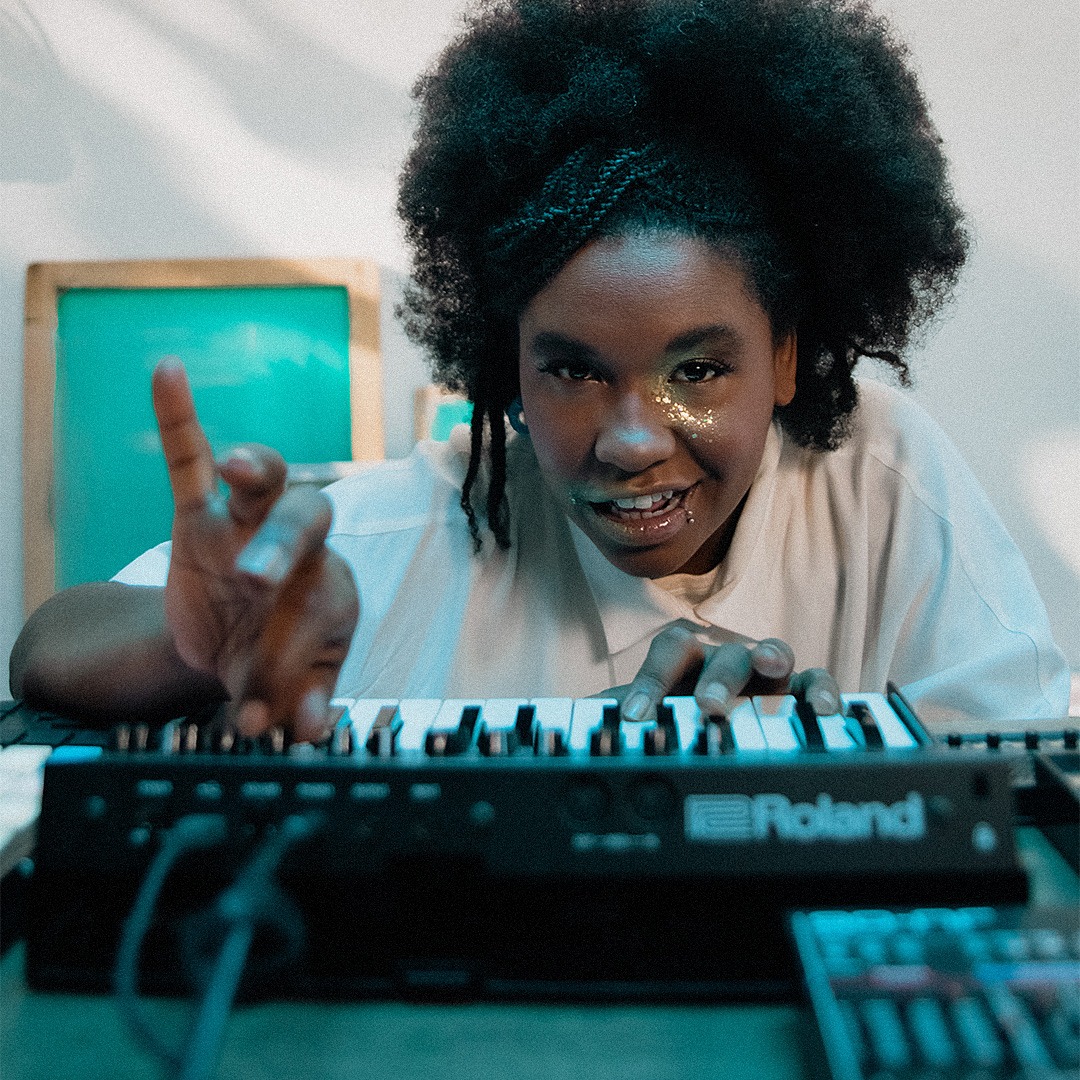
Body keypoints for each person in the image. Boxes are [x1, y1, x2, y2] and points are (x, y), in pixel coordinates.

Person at [10, 0, 1069, 741]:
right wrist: (194, 651)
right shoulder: (414, 531)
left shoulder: (881, 475)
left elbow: (1028, 772)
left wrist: (813, 766)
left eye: (697, 371)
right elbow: (51, 644)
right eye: (572, 372)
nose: (633, 437)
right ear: (507, 368)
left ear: (788, 357)